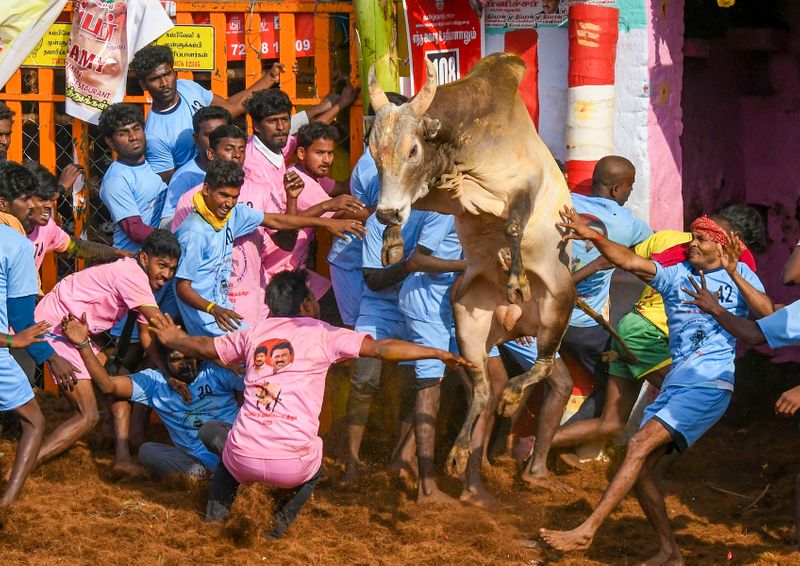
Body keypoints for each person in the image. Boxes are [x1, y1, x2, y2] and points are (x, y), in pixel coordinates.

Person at [147, 269, 473, 539]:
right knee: (317, 465)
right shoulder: (324, 334)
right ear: (306, 305)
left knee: (222, 438)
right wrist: (435, 352)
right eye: (313, 299)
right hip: (292, 468)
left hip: (244, 459)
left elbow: (205, 346)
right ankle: (276, 529)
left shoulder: (253, 333)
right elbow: (383, 348)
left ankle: (213, 522)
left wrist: (174, 340)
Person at [539, 209, 772, 563]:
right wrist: (594, 237)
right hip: (677, 385)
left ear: (721, 246)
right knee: (642, 472)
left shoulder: (742, 276)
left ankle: (586, 532)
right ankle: (669, 551)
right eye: (692, 237)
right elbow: (631, 261)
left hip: (709, 385)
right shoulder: (676, 275)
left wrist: (733, 273)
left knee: (636, 445)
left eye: (701, 239)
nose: (691, 244)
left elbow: (766, 315)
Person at [547, 205, 767, 464]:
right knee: (686, 396)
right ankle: (652, 473)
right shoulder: (694, 260)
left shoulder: (669, 240)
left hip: (631, 329)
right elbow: (625, 261)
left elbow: (621, 258)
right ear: (733, 238)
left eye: (700, 238)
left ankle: (535, 445)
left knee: (612, 424)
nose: (694, 243)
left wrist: (593, 241)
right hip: (647, 335)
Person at [32, 230, 182, 473]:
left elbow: (146, 337)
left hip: (73, 330)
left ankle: (122, 460)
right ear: (144, 258)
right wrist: (196, 347)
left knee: (115, 383)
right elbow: (159, 325)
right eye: (162, 265)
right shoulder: (132, 276)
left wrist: (169, 373)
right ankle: (27, 463)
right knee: (87, 416)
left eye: (172, 269)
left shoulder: (140, 279)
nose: (166, 275)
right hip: (59, 328)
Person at [173, 160, 364, 337]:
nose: (229, 203)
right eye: (223, 195)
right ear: (206, 190)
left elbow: (276, 219)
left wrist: (325, 222)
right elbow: (182, 286)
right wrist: (213, 309)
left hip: (227, 320)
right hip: (209, 324)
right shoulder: (195, 232)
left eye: (234, 197)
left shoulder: (231, 214)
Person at [59, 312, 243, 479]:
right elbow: (108, 385)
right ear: (164, 360)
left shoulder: (216, 372)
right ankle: (206, 478)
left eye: (188, 356)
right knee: (147, 451)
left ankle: (234, 471)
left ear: (197, 356)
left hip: (231, 450)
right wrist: (83, 345)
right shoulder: (155, 382)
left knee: (211, 431)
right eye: (176, 360)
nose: (184, 364)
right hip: (196, 463)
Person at [340, 210, 442, 487]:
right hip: (378, 312)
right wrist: (411, 265)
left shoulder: (435, 216)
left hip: (419, 313)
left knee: (417, 385)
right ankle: (351, 460)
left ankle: (400, 459)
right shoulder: (377, 221)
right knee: (364, 380)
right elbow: (373, 279)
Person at [559, 156, 653, 431]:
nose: (630, 192)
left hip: (542, 315)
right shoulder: (628, 224)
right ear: (616, 190)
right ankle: (562, 439)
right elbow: (658, 250)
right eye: (630, 186)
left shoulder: (564, 205)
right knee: (620, 380)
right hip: (582, 325)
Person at [130, 45, 276, 182]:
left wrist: (270, 78)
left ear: (175, 74)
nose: (164, 83)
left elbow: (229, 108)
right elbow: (174, 184)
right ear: (143, 85)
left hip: (236, 170)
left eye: (167, 75)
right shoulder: (155, 135)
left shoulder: (188, 87)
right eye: (155, 79)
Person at [326, 92, 408, 328]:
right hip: (352, 261)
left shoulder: (390, 158)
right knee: (358, 334)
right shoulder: (372, 165)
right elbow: (376, 211)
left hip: (370, 262)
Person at [0, 224, 48, 505]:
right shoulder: (16, 244)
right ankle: (6, 504)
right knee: (34, 422)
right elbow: (21, 315)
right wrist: (12, 341)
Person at [25, 163, 130, 270]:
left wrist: (115, 252)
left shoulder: (46, 229)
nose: (49, 205)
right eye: (42, 199)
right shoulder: (9, 229)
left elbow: (77, 247)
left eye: (50, 199)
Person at [98, 103, 168, 254]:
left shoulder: (156, 162)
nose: (133, 137)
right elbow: (135, 229)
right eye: (123, 133)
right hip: (134, 261)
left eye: (136, 129)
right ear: (110, 142)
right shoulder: (116, 179)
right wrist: (174, 239)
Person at [159, 106, 232, 228]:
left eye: (222, 135)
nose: (216, 141)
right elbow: (166, 223)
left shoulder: (244, 166)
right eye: (209, 135)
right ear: (196, 138)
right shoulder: (184, 177)